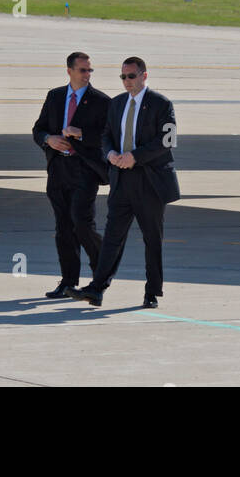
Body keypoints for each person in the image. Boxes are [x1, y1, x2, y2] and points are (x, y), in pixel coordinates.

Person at [69, 57, 180, 308]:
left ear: (144, 76)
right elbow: (107, 135)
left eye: (131, 76)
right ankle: (97, 288)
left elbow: (167, 140)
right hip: (121, 179)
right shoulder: (117, 103)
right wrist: (109, 154)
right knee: (112, 237)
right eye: (123, 77)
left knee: (152, 238)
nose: (127, 82)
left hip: (149, 181)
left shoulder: (160, 104)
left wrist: (135, 157)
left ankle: (152, 292)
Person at [31, 52, 110, 298]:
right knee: (63, 227)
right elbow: (38, 129)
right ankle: (68, 281)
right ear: (70, 71)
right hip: (58, 169)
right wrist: (49, 140)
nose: (87, 75)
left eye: (89, 71)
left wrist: (82, 134)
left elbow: (109, 137)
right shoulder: (55, 96)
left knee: (82, 222)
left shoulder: (101, 101)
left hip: (83, 169)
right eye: (83, 70)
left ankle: (102, 273)